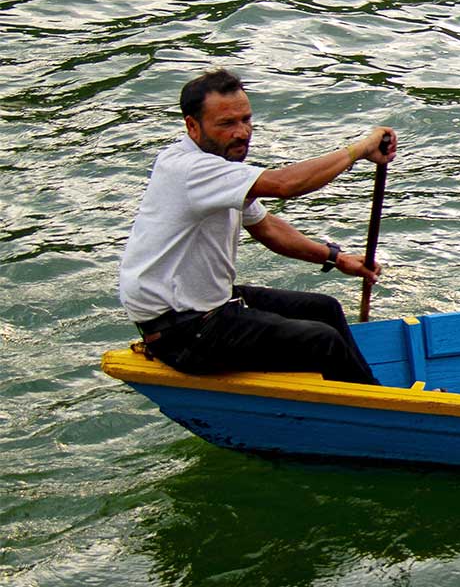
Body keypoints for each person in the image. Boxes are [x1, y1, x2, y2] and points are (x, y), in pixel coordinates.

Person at [118, 70, 398, 384]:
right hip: (182, 332)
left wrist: (337, 258)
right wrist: (360, 149)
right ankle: (377, 412)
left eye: (246, 120)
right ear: (192, 126)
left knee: (324, 309)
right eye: (226, 124)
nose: (242, 133)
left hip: (209, 305)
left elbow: (267, 228)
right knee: (322, 340)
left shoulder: (220, 169)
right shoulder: (189, 168)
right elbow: (285, 184)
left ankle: (366, 392)